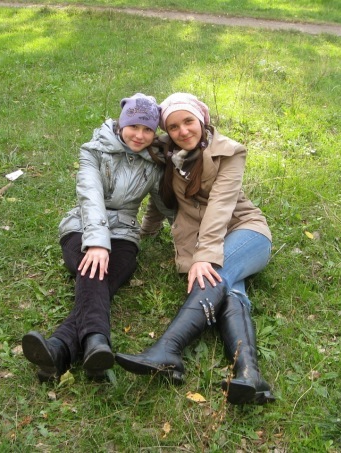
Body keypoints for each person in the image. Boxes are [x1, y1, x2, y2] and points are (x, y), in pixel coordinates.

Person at [115, 93, 275, 405]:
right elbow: (160, 198)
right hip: (208, 241)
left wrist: (204, 257)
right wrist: (144, 233)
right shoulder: (167, 154)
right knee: (230, 291)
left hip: (247, 232)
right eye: (173, 126)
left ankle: (168, 349)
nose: (183, 130)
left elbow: (220, 206)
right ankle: (249, 375)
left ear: (201, 120)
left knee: (211, 275)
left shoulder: (229, 152)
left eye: (188, 121)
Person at [22, 93, 171, 382]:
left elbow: (167, 206)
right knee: (94, 268)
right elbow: (90, 196)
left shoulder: (155, 162)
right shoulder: (93, 151)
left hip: (125, 234)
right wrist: (97, 243)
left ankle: (59, 349)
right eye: (134, 126)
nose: (140, 135)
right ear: (121, 123)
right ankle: (96, 341)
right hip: (81, 227)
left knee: (98, 279)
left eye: (148, 129)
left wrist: (196, 248)